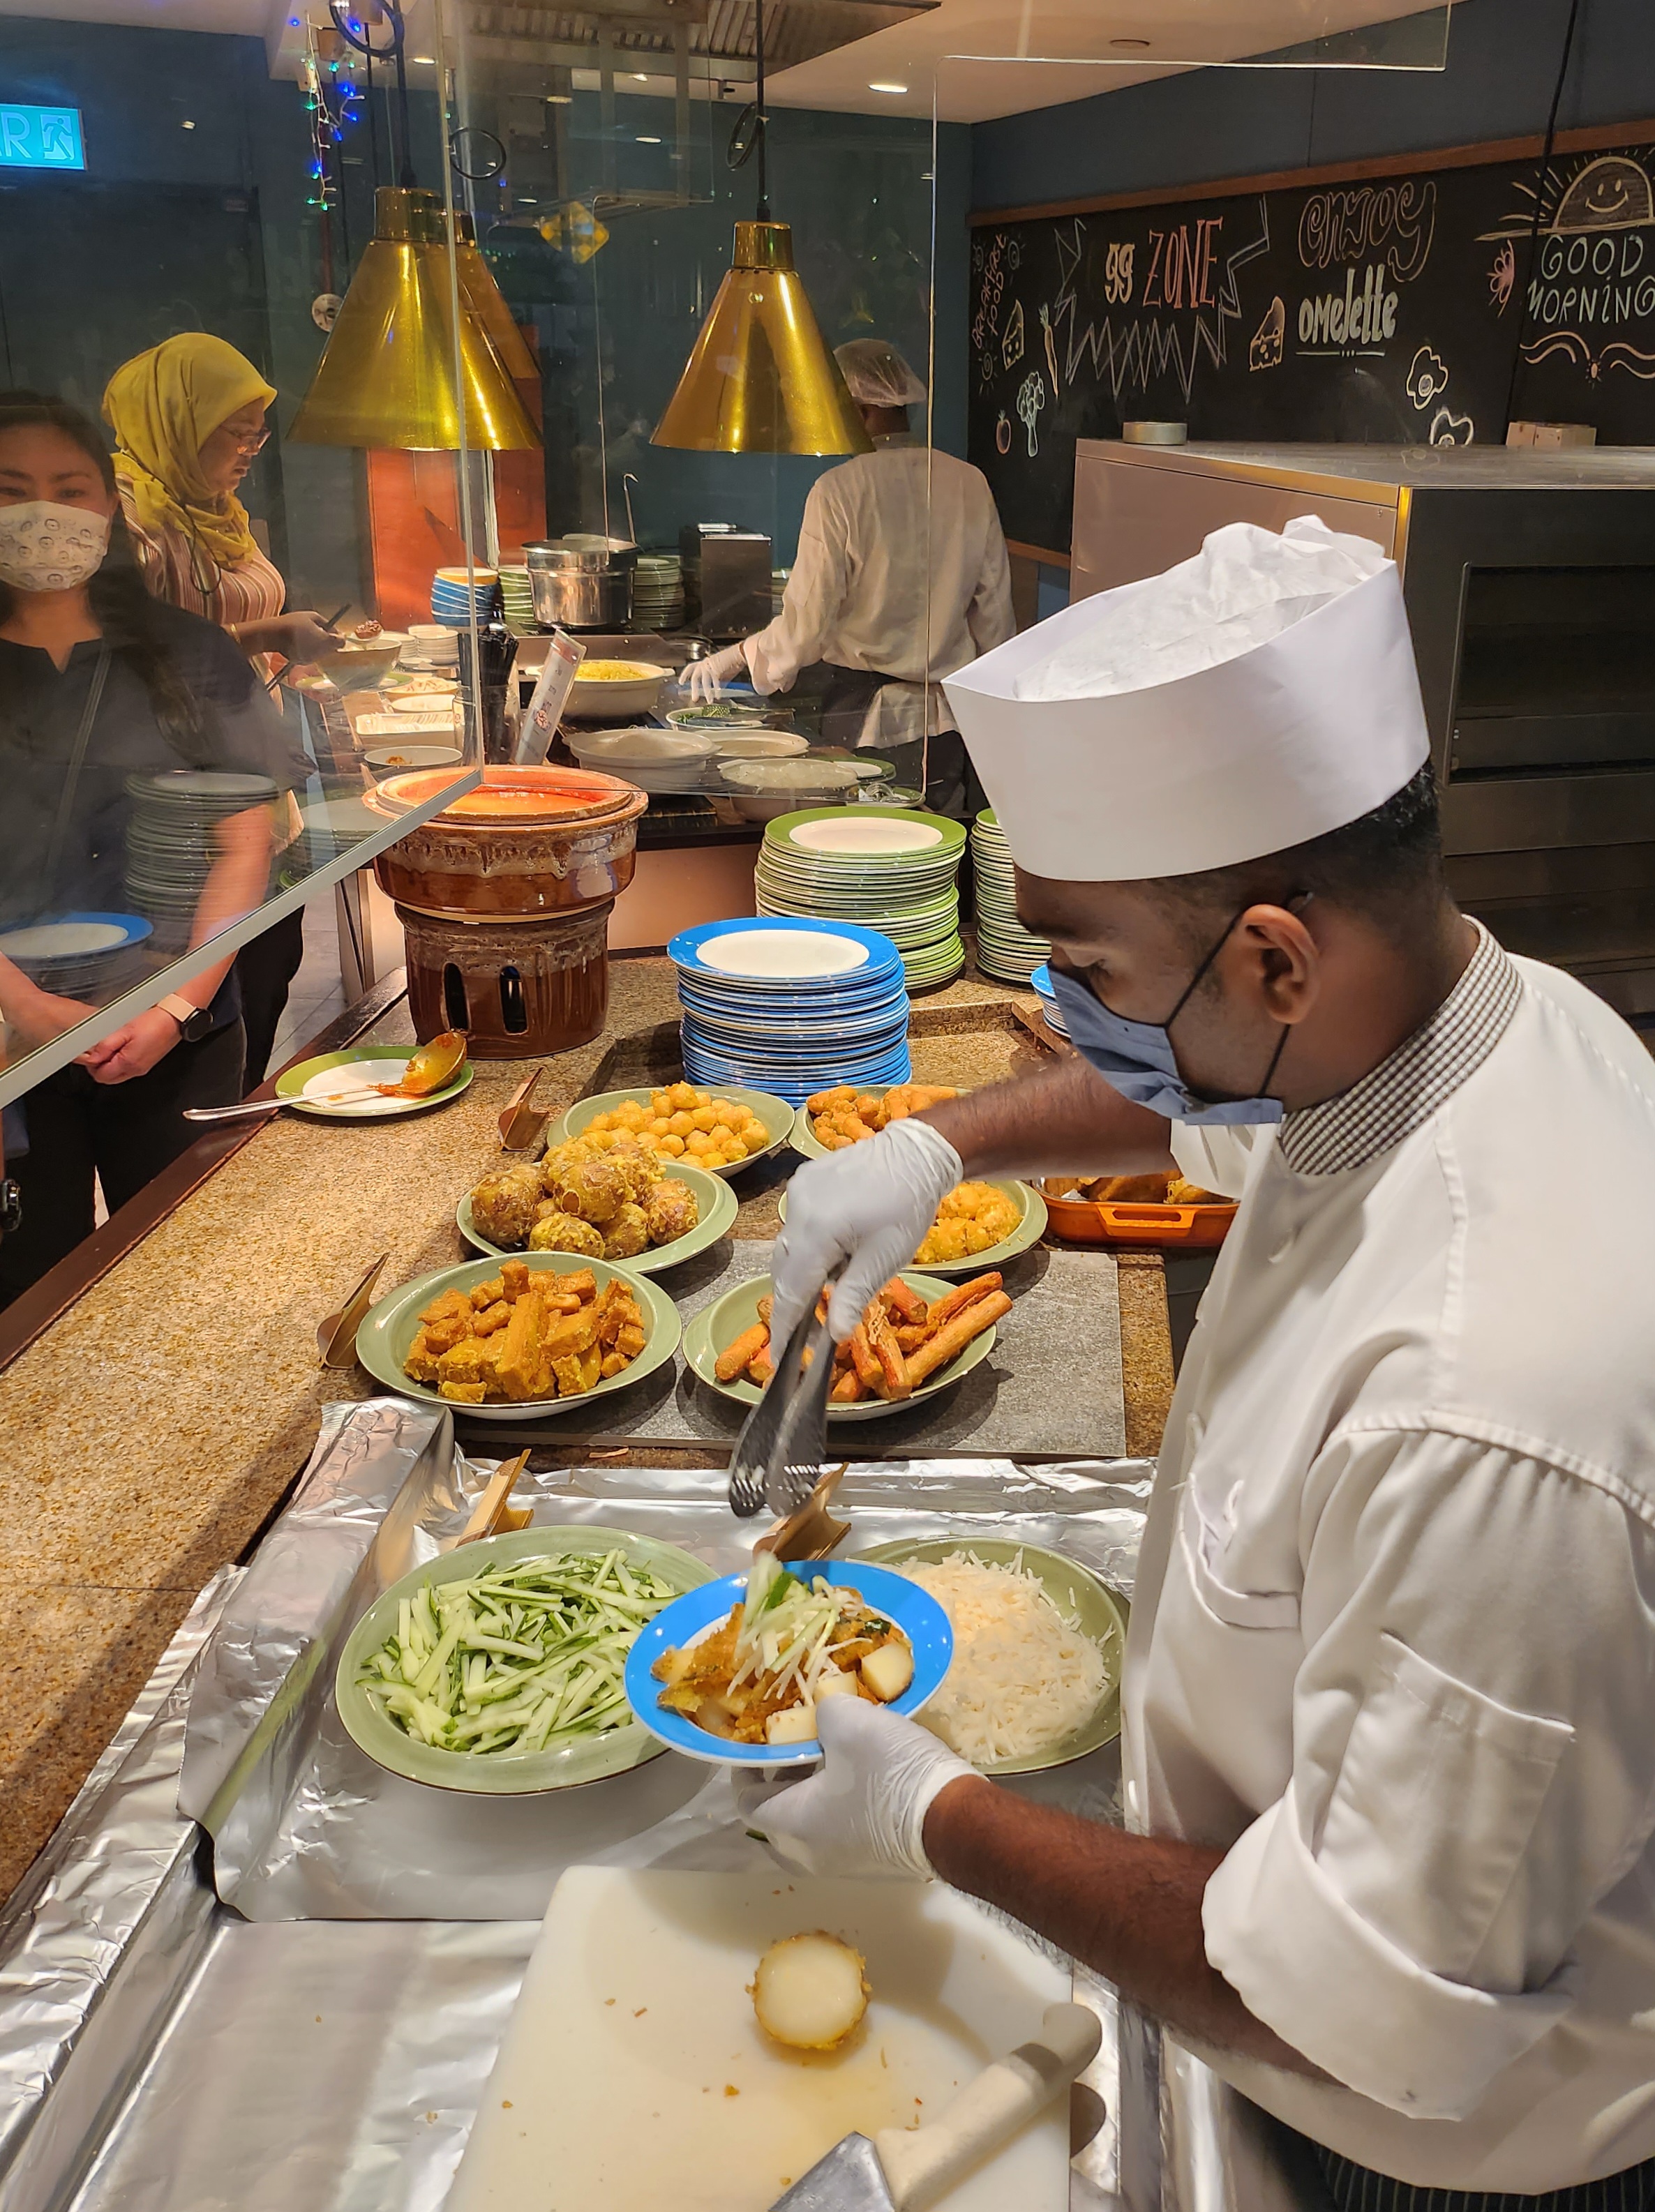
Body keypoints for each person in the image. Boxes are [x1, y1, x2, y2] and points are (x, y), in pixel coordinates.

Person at [759, 516, 1655, 2208]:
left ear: (1271, 956)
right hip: (1277, 2001)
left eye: (1083, 970)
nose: (1060, 1008)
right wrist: (935, 1149)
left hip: (1434, 2156)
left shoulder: (1484, 1404)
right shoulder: (1464, 1020)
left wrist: (923, 1814)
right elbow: (1195, 1094)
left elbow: (1359, 2011)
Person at [0, 391, 298, 1306]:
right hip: (11, 1039)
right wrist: (28, 1011)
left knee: (190, 1282)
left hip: (183, 1020)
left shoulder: (191, 651)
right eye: (13, 489)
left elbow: (244, 844)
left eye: (70, 487)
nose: (44, 512)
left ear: (109, 507)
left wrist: (172, 1005)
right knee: (30, 1295)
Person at [103, 333, 340, 1085]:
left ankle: (237, 1123)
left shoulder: (217, 510)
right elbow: (131, 649)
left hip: (251, 761)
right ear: (175, 422)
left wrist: (280, 659)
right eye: (232, 433)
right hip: (178, 787)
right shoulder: (128, 520)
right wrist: (268, 635)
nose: (247, 451)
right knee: (208, 981)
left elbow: (222, 633)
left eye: (255, 434)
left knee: (272, 962)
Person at [680, 338, 1014, 816]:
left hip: (867, 728)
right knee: (933, 863)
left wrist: (733, 659)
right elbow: (997, 626)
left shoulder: (838, 492)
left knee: (865, 872)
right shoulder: (970, 483)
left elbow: (804, 633)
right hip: (949, 729)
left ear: (861, 412)